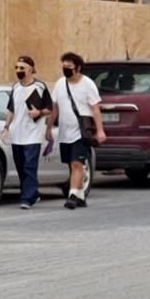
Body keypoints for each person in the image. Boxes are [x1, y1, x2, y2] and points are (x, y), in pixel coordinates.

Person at [46, 52, 106, 210]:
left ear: (78, 68)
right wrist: (49, 127)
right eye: (64, 66)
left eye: (69, 66)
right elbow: (55, 108)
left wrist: (100, 130)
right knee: (71, 165)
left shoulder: (88, 84)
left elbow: (95, 108)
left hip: (81, 131)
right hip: (65, 131)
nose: (66, 69)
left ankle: (72, 195)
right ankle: (80, 196)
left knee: (77, 163)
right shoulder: (60, 84)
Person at [1, 56, 53, 209]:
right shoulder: (15, 87)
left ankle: (27, 198)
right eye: (17, 68)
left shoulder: (40, 87)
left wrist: (39, 112)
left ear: (30, 70)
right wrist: (6, 126)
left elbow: (50, 108)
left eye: (22, 68)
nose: (18, 71)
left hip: (33, 134)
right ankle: (33, 193)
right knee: (21, 166)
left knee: (30, 166)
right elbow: (11, 109)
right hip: (17, 133)